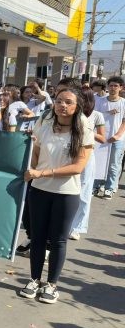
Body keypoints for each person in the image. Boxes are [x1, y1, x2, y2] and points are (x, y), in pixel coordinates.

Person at [20, 87, 93, 304]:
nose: (62, 105)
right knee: (38, 238)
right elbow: (35, 158)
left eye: (68, 102)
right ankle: (34, 279)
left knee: (59, 240)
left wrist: (42, 173)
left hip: (66, 194)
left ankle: (51, 285)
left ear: (77, 107)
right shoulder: (44, 127)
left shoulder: (83, 131)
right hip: (39, 191)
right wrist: (28, 149)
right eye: (59, 101)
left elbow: (78, 167)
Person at [69, 88, 106, 240]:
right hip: (69, 152)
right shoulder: (71, 113)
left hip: (87, 154)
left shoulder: (97, 115)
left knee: (84, 191)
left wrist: (88, 130)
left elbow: (102, 138)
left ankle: (77, 227)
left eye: (82, 97)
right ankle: (65, 223)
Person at [93, 76, 125, 199]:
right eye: (111, 85)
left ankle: (109, 188)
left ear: (121, 88)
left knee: (113, 165)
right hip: (101, 137)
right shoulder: (100, 101)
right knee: (99, 162)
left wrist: (117, 135)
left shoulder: (123, 102)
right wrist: (107, 113)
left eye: (116, 86)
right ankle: (96, 186)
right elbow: (94, 117)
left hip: (117, 139)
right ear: (107, 87)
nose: (112, 88)